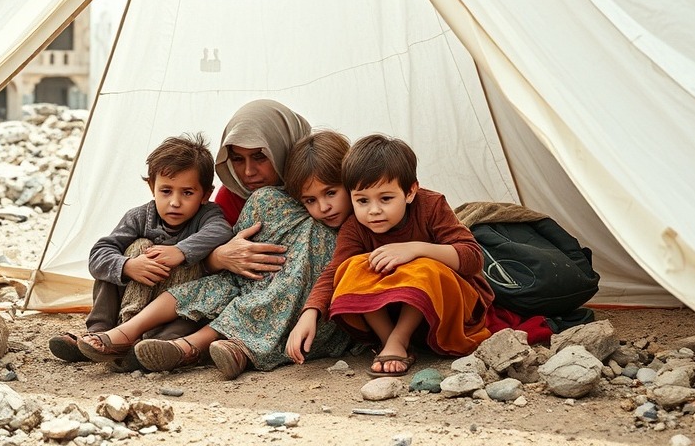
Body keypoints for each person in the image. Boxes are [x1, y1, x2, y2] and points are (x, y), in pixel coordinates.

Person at [77, 101, 351, 379]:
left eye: (260, 157)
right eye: (238, 159)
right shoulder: (236, 197)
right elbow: (220, 265)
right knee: (149, 253)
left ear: (282, 150)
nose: (248, 172)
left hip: (297, 303)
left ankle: (178, 344)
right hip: (235, 284)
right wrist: (219, 257)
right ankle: (122, 332)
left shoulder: (334, 204)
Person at [287, 134, 495, 378]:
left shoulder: (431, 205)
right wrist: (310, 313)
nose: (374, 211)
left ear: (410, 191)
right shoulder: (355, 226)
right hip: (397, 313)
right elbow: (334, 271)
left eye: (385, 199)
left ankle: (398, 340)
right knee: (352, 267)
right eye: (362, 201)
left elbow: (473, 257)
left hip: (449, 311)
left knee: (422, 266)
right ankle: (390, 341)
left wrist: (416, 249)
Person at [49, 133, 233, 364]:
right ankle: (99, 334)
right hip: (128, 306)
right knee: (127, 252)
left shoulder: (208, 216)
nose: (175, 202)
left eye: (187, 193)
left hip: (171, 315)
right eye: (166, 191)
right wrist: (128, 266)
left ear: (205, 194)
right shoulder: (139, 217)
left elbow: (222, 231)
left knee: (198, 273)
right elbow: (98, 254)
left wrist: (180, 251)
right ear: (152, 187)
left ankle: (147, 348)